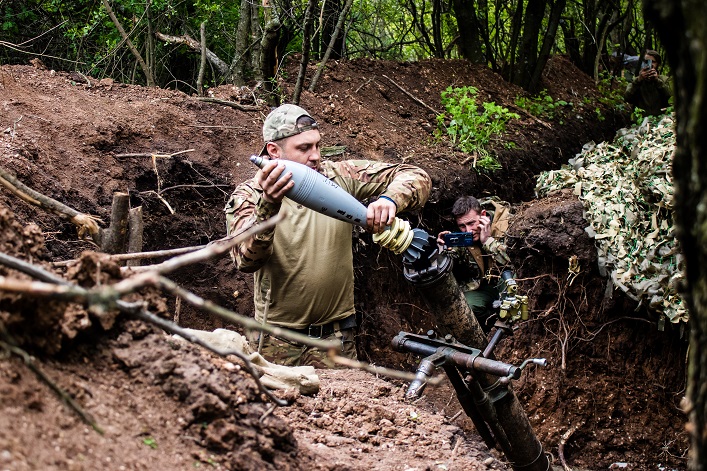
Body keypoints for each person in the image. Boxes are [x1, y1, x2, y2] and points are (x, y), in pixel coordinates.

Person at [224, 104, 431, 368]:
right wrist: (269, 206)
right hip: (277, 343)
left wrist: (390, 200)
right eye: (303, 148)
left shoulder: (339, 177)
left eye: (317, 146)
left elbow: (416, 175)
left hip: (336, 340)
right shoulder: (249, 196)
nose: (315, 156)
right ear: (274, 151)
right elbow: (246, 261)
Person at [437, 196, 512, 332]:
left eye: (472, 223)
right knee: (467, 307)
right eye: (462, 226)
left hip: (508, 282)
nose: (468, 230)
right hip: (484, 285)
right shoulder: (464, 236)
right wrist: (442, 252)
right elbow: (453, 262)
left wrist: (488, 241)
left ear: (483, 215)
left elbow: (514, 261)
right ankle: (493, 326)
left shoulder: (506, 225)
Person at [624, 50, 672, 117]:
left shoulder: (664, 79)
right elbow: (627, 98)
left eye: (653, 62)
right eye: (646, 62)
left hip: (661, 120)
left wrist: (657, 81)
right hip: (641, 121)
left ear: (658, 64)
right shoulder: (636, 81)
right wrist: (638, 80)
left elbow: (670, 98)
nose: (650, 64)